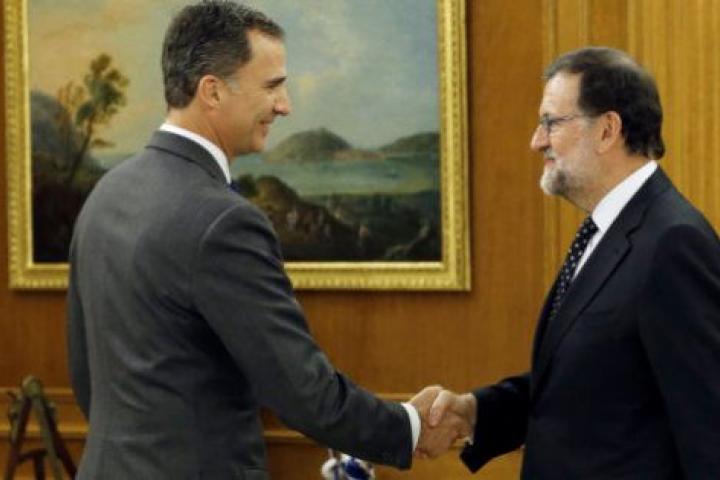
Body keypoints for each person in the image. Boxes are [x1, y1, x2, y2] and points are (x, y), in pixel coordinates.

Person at [66, 2, 467, 478]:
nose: (284, 105)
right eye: (272, 86)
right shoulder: (224, 221)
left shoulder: (106, 193)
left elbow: (87, 376)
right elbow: (302, 392)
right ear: (212, 91)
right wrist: (410, 427)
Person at [422, 47, 720, 478]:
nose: (536, 140)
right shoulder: (608, 230)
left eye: (551, 123)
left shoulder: (674, 243)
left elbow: (709, 428)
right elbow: (589, 386)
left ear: (607, 130)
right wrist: (474, 412)